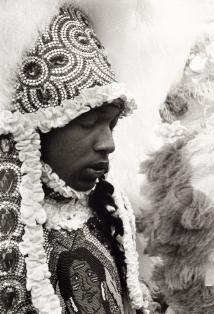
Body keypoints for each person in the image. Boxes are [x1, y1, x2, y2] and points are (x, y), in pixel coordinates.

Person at [0, 4, 148, 314]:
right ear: (39, 131)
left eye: (111, 124)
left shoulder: (111, 209)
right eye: (88, 122)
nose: (108, 144)